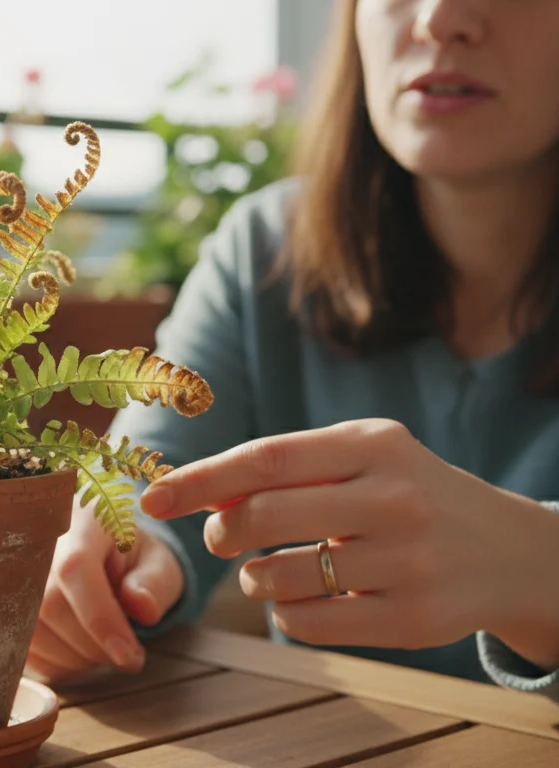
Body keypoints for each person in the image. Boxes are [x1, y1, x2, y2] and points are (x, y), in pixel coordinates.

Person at [28, 0, 559, 700]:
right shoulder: (266, 251)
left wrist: (535, 568)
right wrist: (115, 567)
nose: (439, 18)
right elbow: (150, 478)